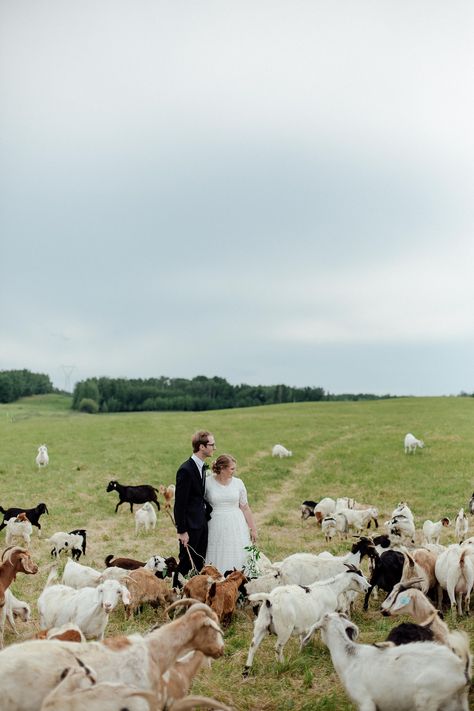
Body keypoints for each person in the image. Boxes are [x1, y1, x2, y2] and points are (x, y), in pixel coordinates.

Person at [173, 430, 216, 586]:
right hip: (190, 526)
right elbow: (180, 503)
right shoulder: (186, 470)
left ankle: (195, 592)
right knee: (185, 563)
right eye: (212, 445)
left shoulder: (201, 467)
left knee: (199, 563)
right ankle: (175, 593)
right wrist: (182, 530)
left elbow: (198, 496)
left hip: (201, 522)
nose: (214, 448)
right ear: (201, 447)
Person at [204, 453, 257, 573]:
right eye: (232, 468)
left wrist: (253, 529)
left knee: (236, 550)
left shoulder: (238, 483)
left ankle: (239, 579)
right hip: (215, 523)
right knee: (218, 550)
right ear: (222, 468)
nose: (234, 471)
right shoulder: (208, 483)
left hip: (236, 523)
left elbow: (245, 507)